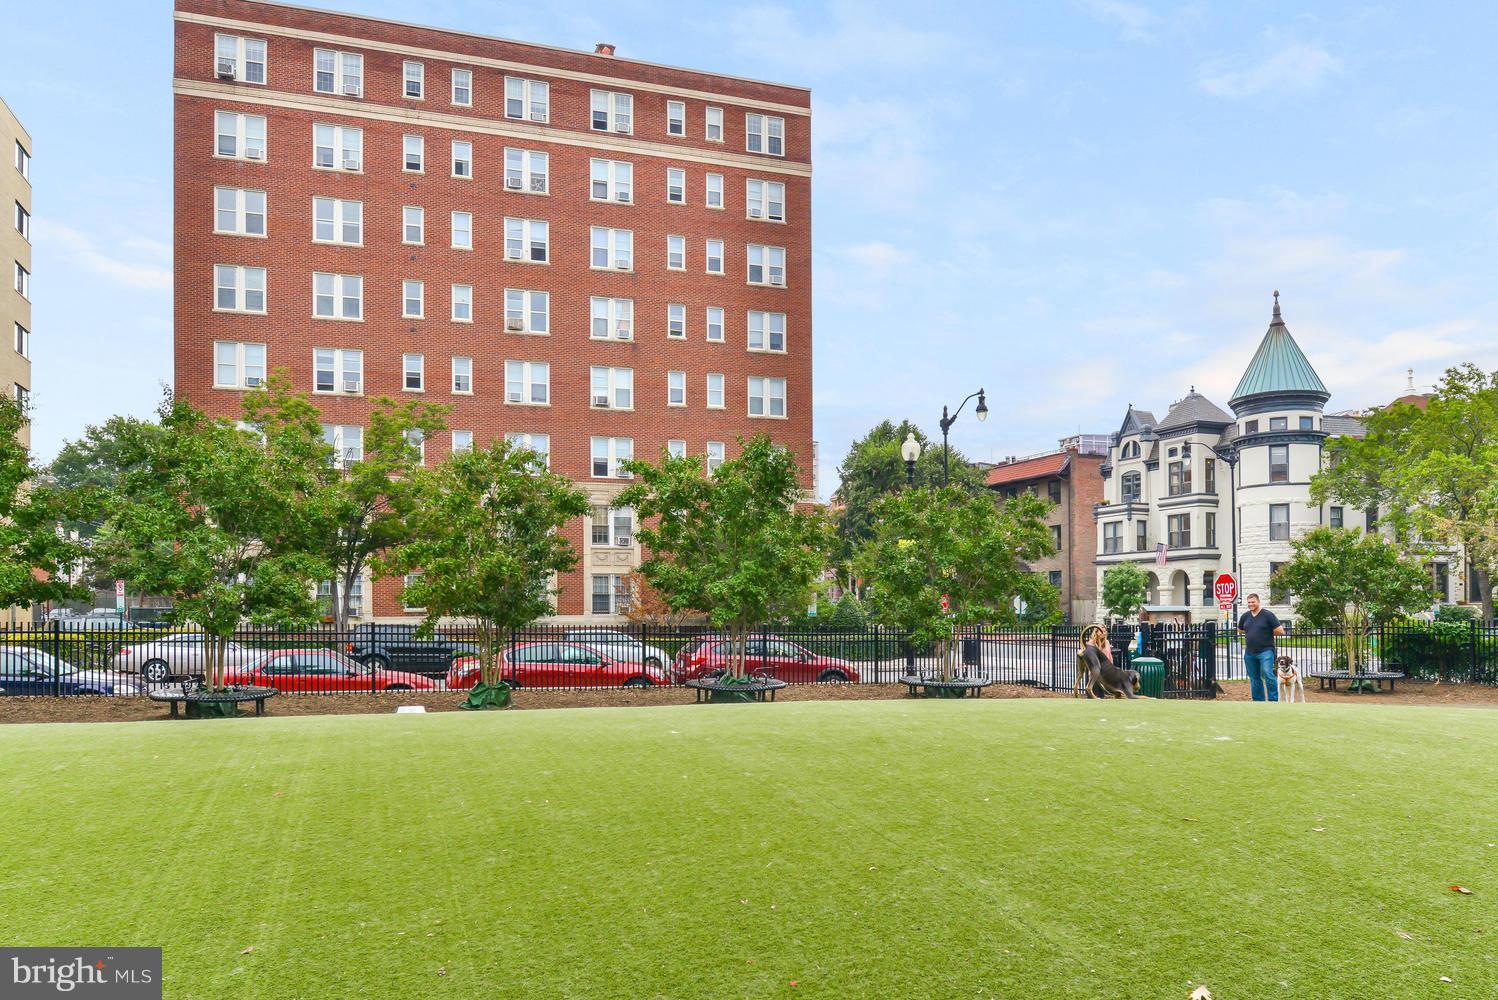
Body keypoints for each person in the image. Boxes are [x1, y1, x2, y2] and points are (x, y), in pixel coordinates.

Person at [1237, 593, 1285, 701]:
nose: (1251, 604)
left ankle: (1273, 700)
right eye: (1249, 602)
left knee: (1268, 674)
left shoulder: (1268, 615)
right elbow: (1240, 630)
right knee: (1254, 678)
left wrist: (1266, 632)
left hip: (1266, 651)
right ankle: (1258, 701)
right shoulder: (1245, 616)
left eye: (1253, 602)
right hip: (1249, 652)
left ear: (1258, 602)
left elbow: (1280, 631)